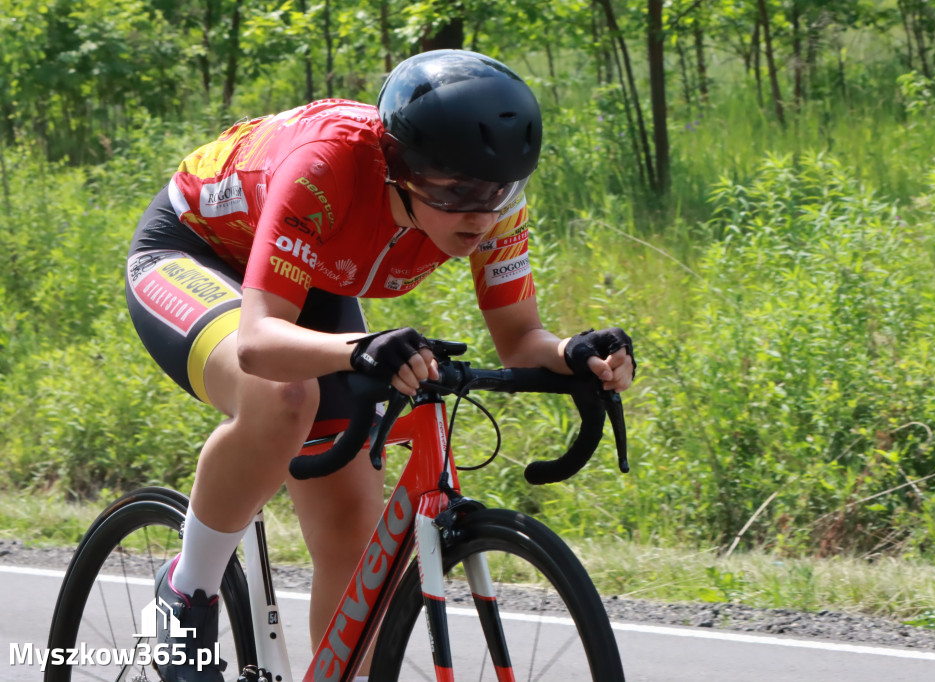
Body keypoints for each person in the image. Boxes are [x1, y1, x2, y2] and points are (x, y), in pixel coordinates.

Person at [125, 49, 635, 682]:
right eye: (456, 194)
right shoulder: (326, 167)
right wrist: (357, 350)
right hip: (194, 251)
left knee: (352, 539)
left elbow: (519, 338)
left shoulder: (491, 198)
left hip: (309, 274)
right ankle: (186, 591)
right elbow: (257, 341)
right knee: (283, 396)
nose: (480, 215)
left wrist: (571, 354)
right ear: (400, 169)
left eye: (498, 193)